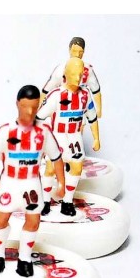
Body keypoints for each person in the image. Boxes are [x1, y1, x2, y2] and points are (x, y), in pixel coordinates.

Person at [0, 85, 65, 277]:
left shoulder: (44, 132)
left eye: (34, 107)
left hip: (32, 185)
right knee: (2, 219)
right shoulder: (6, 132)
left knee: (33, 221)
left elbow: (56, 158)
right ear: (17, 104)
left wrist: (61, 183)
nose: (29, 112)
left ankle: (25, 260)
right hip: (9, 183)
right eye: (25, 107)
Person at [37, 57, 100, 216]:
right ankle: (45, 201)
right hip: (57, 136)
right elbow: (39, 118)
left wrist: (96, 138)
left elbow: (92, 117)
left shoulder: (85, 95)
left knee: (77, 167)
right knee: (51, 168)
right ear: (65, 74)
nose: (77, 78)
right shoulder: (56, 95)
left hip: (75, 137)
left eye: (80, 74)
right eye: (73, 74)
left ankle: (67, 202)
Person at [42, 37, 102, 118]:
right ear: (69, 50)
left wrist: (98, 111)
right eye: (74, 51)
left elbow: (96, 91)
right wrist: (39, 109)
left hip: (79, 112)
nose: (77, 55)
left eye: (80, 52)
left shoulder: (88, 70)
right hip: (61, 110)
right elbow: (46, 90)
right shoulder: (60, 69)